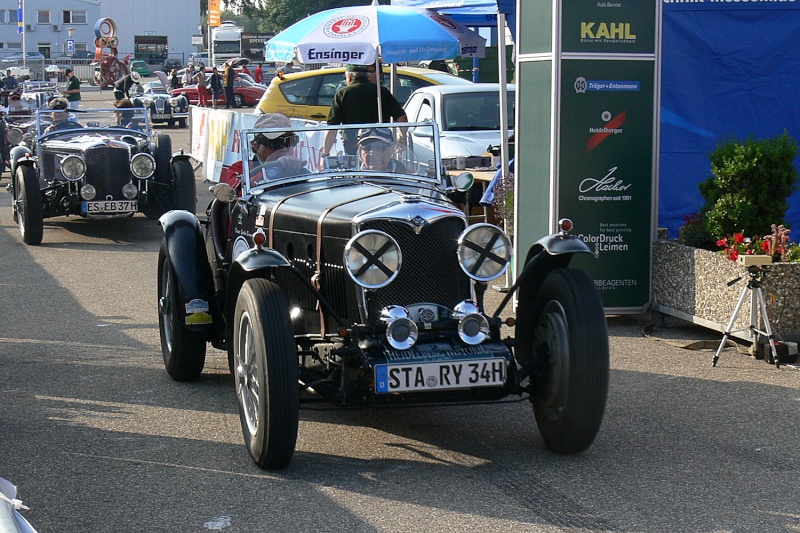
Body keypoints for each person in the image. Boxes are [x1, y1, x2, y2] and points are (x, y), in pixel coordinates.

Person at [322, 63, 407, 161]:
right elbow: (402, 118)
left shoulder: (342, 93)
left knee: (356, 171)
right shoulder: (381, 91)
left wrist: (325, 154)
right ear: (367, 76)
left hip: (353, 144)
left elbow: (332, 128)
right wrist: (402, 138)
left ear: (349, 77)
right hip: (380, 144)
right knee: (380, 171)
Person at [248, 113, 306, 184]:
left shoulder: (299, 172)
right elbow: (239, 188)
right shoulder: (241, 169)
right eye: (275, 142)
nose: (284, 148)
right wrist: (276, 171)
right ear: (257, 146)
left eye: (290, 141)